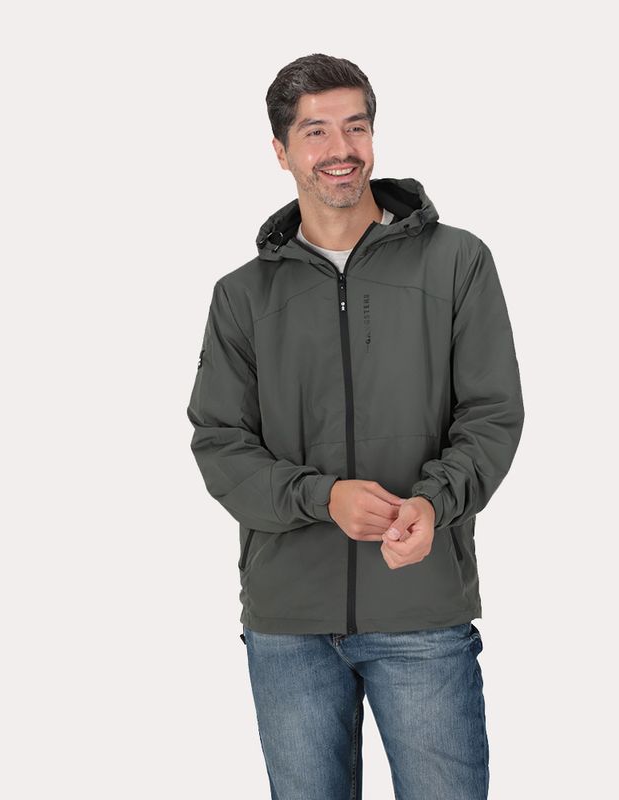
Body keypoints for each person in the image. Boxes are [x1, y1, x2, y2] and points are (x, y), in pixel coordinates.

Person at [186, 53, 525, 800]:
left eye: (356, 127)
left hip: (421, 609)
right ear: (281, 151)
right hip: (289, 626)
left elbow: (491, 413)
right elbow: (220, 443)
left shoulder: (457, 262)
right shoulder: (242, 296)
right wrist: (322, 498)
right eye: (316, 132)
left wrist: (433, 502)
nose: (341, 149)